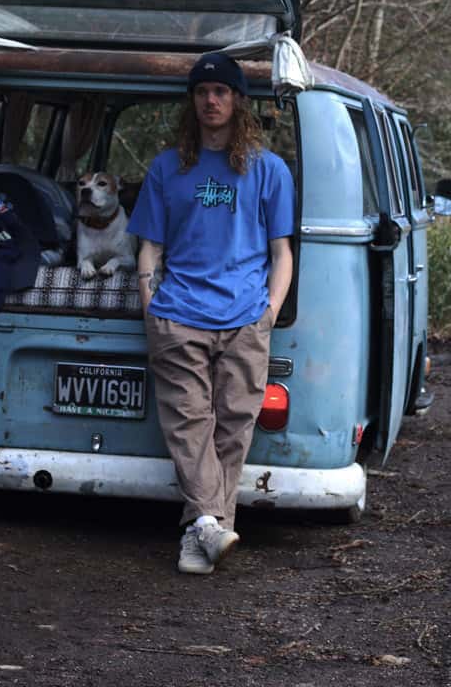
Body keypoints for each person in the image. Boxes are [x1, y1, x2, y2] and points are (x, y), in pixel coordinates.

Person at [127, 51, 295, 575]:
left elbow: (281, 253)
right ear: (192, 101)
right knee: (189, 423)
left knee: (233, 428)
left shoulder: (269, 170)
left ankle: (199, 531)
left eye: (221, 91)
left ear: (239, 101)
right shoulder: (166, 167)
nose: (211, 100)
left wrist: (267, 312)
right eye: (202, 92)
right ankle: (208, 525)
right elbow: (148, 249)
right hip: (179, 315)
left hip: (245, 317)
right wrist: (151, 305)